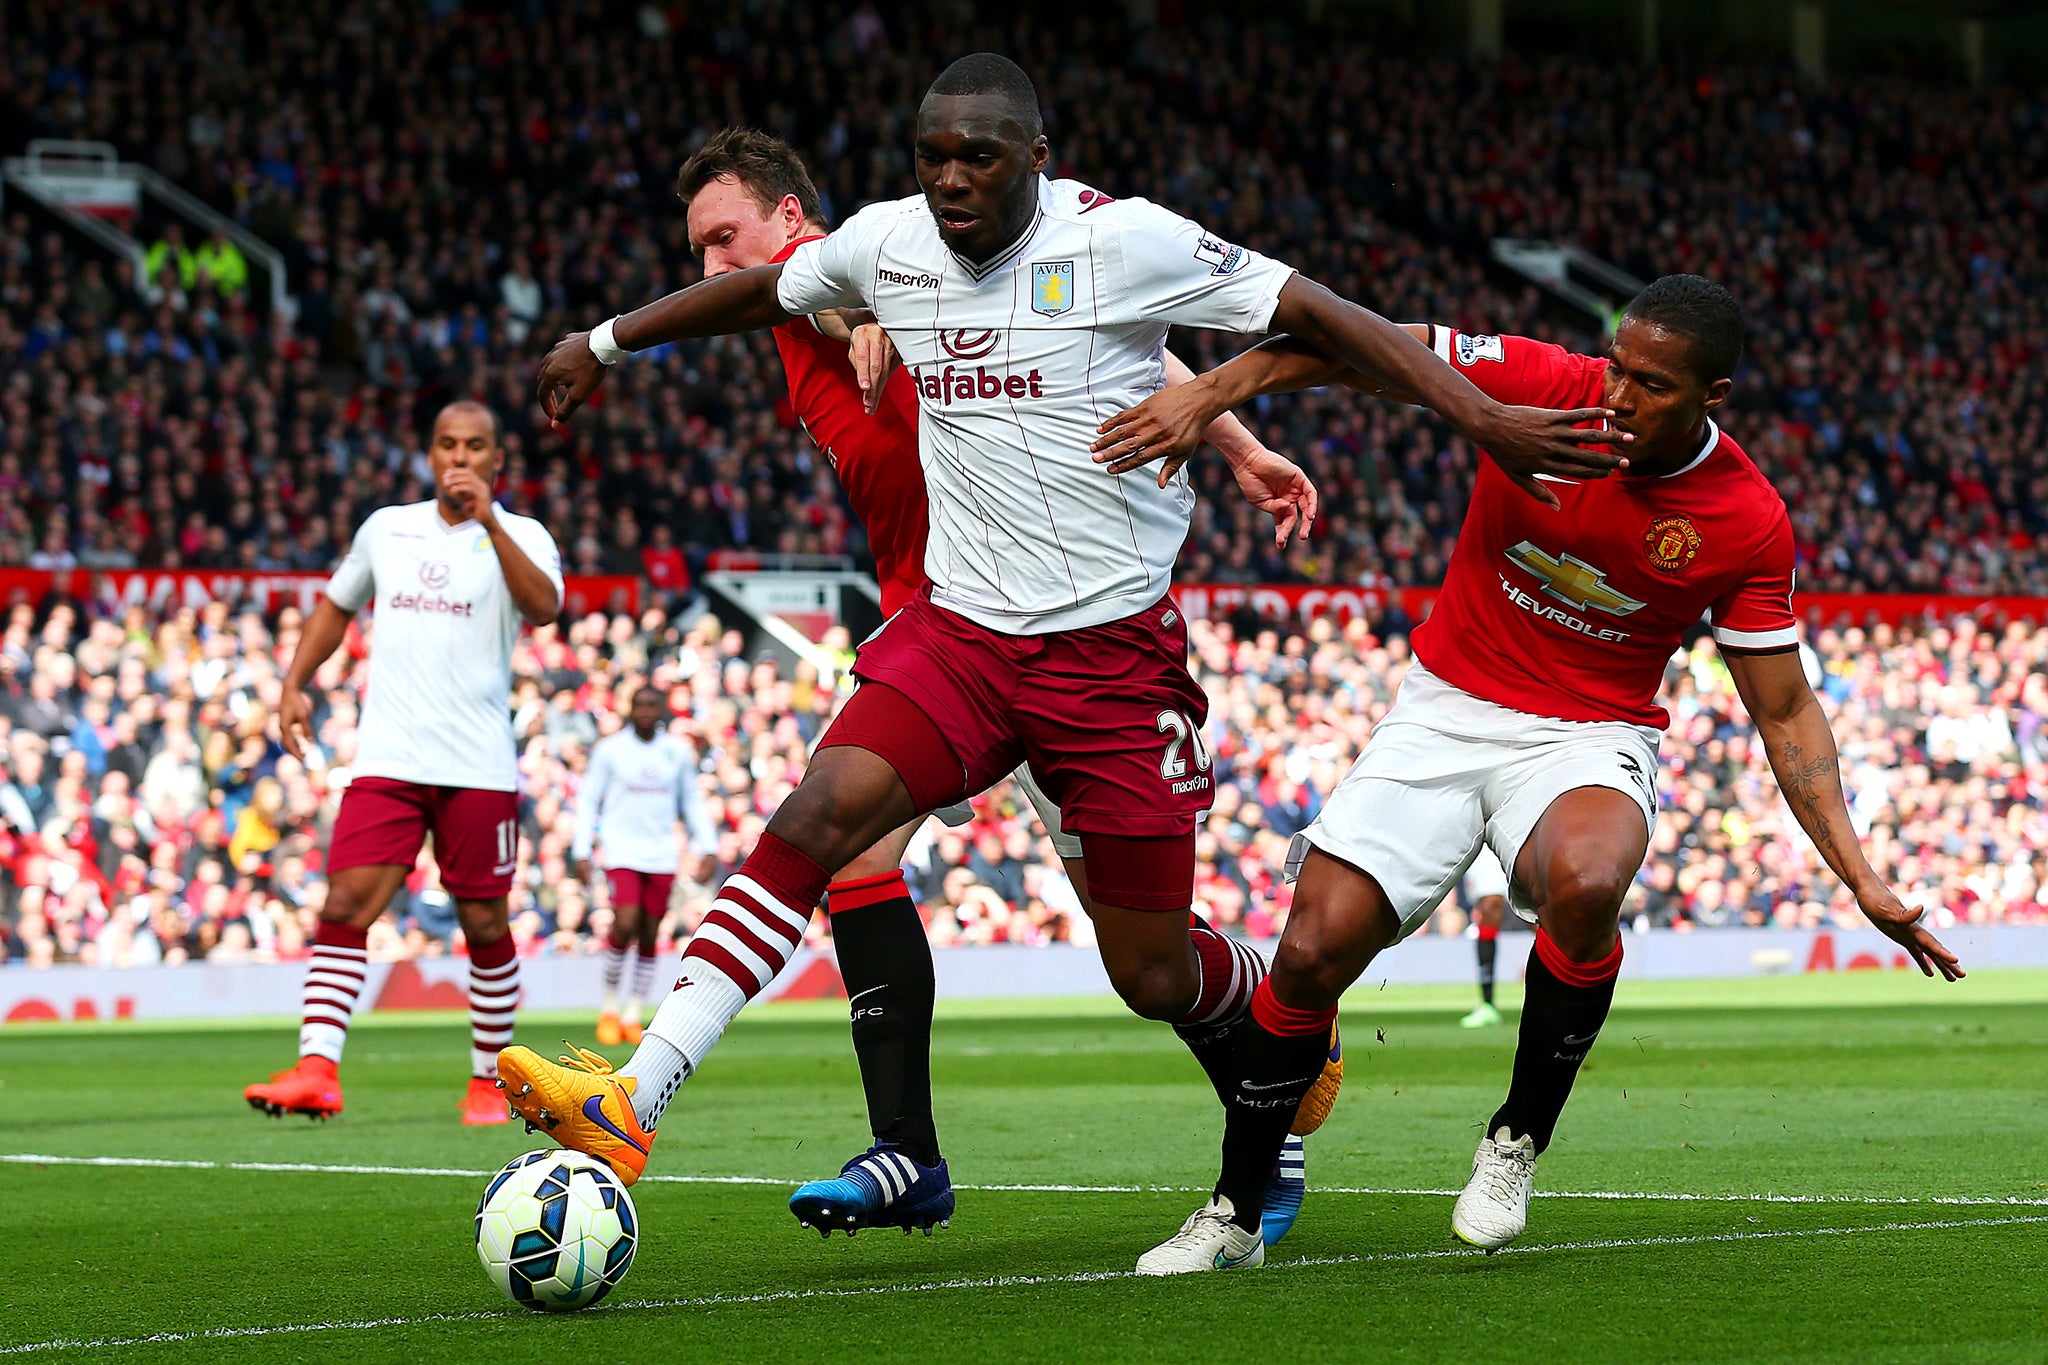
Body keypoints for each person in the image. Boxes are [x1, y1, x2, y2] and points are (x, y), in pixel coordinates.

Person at [503, 54, 1617, 1286]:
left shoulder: (1126, 242)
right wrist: (597, 341)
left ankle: (1260, 1009)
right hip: (962, 637)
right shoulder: (886, 249)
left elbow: (1314, 315)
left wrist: (1481, 418)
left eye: (978, 155)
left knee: (1147, 970)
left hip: (1109, 662)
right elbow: (766, 294)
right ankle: (637, 1098)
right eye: (932, 157)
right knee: (822, 817)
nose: (951, 179)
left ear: (1036, 155)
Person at [1090, 273, 1963, 1271]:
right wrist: (1213, 393)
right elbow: (1356, 342)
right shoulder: (1542, 382)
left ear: (1710, 395)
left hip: (1590, 733)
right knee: (1309, 953)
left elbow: (1782, 708)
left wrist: (1859, 876)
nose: (1618, 399)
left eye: (1652, 386)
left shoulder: (1744, 519)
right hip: (1444, 710)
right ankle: (1234, 1214)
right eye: (1617, 368)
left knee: (1587, 882)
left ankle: (1513, 1141)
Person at [669, 126, 1325, 1244]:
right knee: (851, 852)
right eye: (693, 251)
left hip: (1051, 631)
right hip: (949, 642)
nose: (709, 268)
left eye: (723, 237)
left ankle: (1264, 1070)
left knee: (1144, 960)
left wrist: (1233, 446)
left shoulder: (866, 276)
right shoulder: (806, 310)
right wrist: (1237, 446)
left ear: (790, 224)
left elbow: (930, 311)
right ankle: (907, 1155)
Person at [243, 401, 563, 1126]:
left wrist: (489, 523)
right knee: (344, 904)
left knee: (483, 922)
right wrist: (293, 684)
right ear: (429, 454)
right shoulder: (387, 528)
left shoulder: (523, 535)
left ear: (496, 462)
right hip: (388, 755)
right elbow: (334, 603)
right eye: (447, 444)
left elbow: (543, 606)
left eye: (475, 446)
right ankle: (317, 1069)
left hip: (479, 763)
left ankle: (490, 1082)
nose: (460, 457)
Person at [572, 685, 717, 1047]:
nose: (646, 712)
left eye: (652, 705)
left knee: (651, 933)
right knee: (624, 922)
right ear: (630, 709)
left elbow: (692, 801)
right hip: (621, 850)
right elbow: (589, 798)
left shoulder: (676, 752)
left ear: (662, 710)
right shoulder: (611, 751)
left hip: (661, 853)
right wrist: (581, 850)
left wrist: (707, 845)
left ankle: (633, 1013)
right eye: (639, 705)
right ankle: (608, 1008)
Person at [1461, 847, 1510, 1028]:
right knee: (1488, 907)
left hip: (1519, 829)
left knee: (1538, 914)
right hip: (1484, 837)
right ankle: (1488, 1004)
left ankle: (1572, 991)